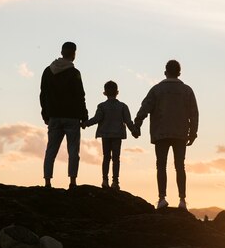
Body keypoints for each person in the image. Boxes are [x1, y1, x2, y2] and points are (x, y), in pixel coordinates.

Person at [134, 59, 198, 210]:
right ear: (179, 73)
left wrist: (137, 124)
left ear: (165, 72)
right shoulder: (187, 90)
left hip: (160, 132)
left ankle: (162, 199)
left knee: (161, 165)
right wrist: (193, 132)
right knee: (180, 166)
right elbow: (194, 113)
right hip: (180, 133)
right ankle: (182, 200)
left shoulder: (157, 89)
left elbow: (145, 107)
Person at [40, 41, 88, 189]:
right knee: (73, 151)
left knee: (51, 150)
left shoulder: (48, 71)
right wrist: (84, 115)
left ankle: (47, 182)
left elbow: (43, 94)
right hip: (72, 116)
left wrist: (45, 113)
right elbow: (80, 96)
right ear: (73, 54)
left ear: (61, 52)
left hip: (54, 115)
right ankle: (72, 182)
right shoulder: (74, 73)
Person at [83, 80, 138, 190]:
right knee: (116, 158)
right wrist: (134, 131)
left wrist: (86, 123)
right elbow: (128, 121)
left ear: (105, 93)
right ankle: (115, 181)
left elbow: (96, 119)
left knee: (106, 157)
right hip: (117, 135)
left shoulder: (102, 106)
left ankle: (104, 180)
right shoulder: (123, 106)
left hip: (105, 134)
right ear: (117, 92)